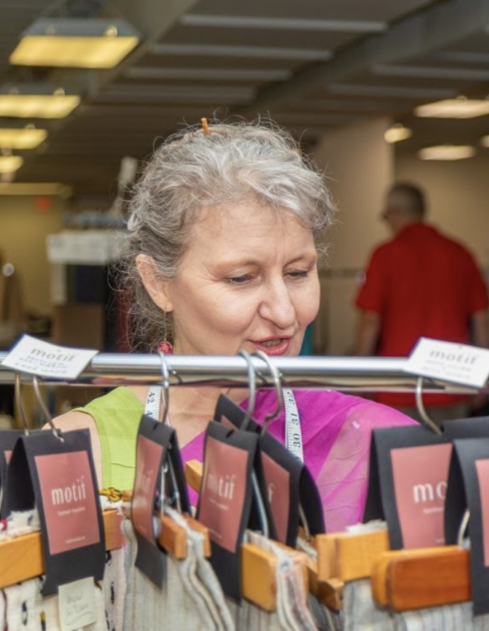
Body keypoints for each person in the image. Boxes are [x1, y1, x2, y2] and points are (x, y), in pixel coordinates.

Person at [53, 121, 413, 532]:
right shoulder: (76, 452)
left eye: (298, 273)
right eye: (241, 278)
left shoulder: (377, 444)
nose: (284, 313)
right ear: (157, 283)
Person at [354, 182, 489, 421]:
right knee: (451, 457)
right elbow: (482, 322)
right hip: (453, 383)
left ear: (396, 213)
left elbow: (370, 322)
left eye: (386, 216)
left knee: (399, 459)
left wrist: (361, 377)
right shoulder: (460, 254)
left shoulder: (384, 255)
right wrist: (484, 378)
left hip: (398, 386)